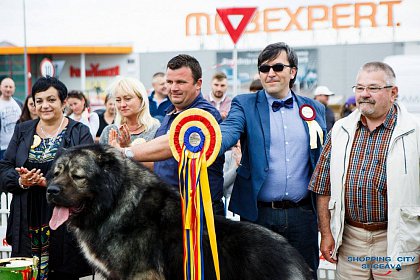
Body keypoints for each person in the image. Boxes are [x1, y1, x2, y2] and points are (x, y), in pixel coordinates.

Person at [218, 42, 327, 278]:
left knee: (304, 275)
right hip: (259, 215)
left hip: (303, 216)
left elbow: (324, 161)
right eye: (264, 68)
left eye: (278, 67)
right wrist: (208, 142)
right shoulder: (244, 104)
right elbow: (229, 131)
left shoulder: (314, 108)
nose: (270, 73)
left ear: (293, 71)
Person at [309, 62, 420, 279]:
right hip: (350, 242)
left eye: (373, 88)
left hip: (398, 242)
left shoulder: (414, 132)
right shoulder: (340, 130)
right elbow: (323, 187)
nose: (364, 94)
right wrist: (326, 234)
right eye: (359, 88)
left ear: (393, 93)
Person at [0, 76, 93, 279]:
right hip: (26, 214)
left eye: (51, 100)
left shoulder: (79, 132)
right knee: (27, 272)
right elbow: (5, 167)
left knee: (64, 272)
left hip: (63, 217)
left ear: (64, 101)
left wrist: (49, 183)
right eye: (39, 100)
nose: (44, 106)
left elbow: (88, 174)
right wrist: (20, 181)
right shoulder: (22, 130)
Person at [113, 54, 225, 215]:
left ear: (198, 84)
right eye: (170, 82)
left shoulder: (203, 114)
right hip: (171, 209)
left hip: (199, 213)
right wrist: (128, 150)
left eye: (181, 82)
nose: (173, 88)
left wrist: (124, 153)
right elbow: (160, 163)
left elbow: (172, 143)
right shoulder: (169, 114)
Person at [99, 76, 160, 147]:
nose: (122, 105)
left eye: (127, 99)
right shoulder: (109, 131)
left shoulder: (155, 129)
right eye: (118, 100)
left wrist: (126, 148)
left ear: (141, 99)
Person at [0, 77, 22, 159]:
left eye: (10, 87)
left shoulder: (19, 103)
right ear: (0, 87)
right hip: (2, 148)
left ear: (14, 89)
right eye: (6, 86)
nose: (8, 89)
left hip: (17, 146)